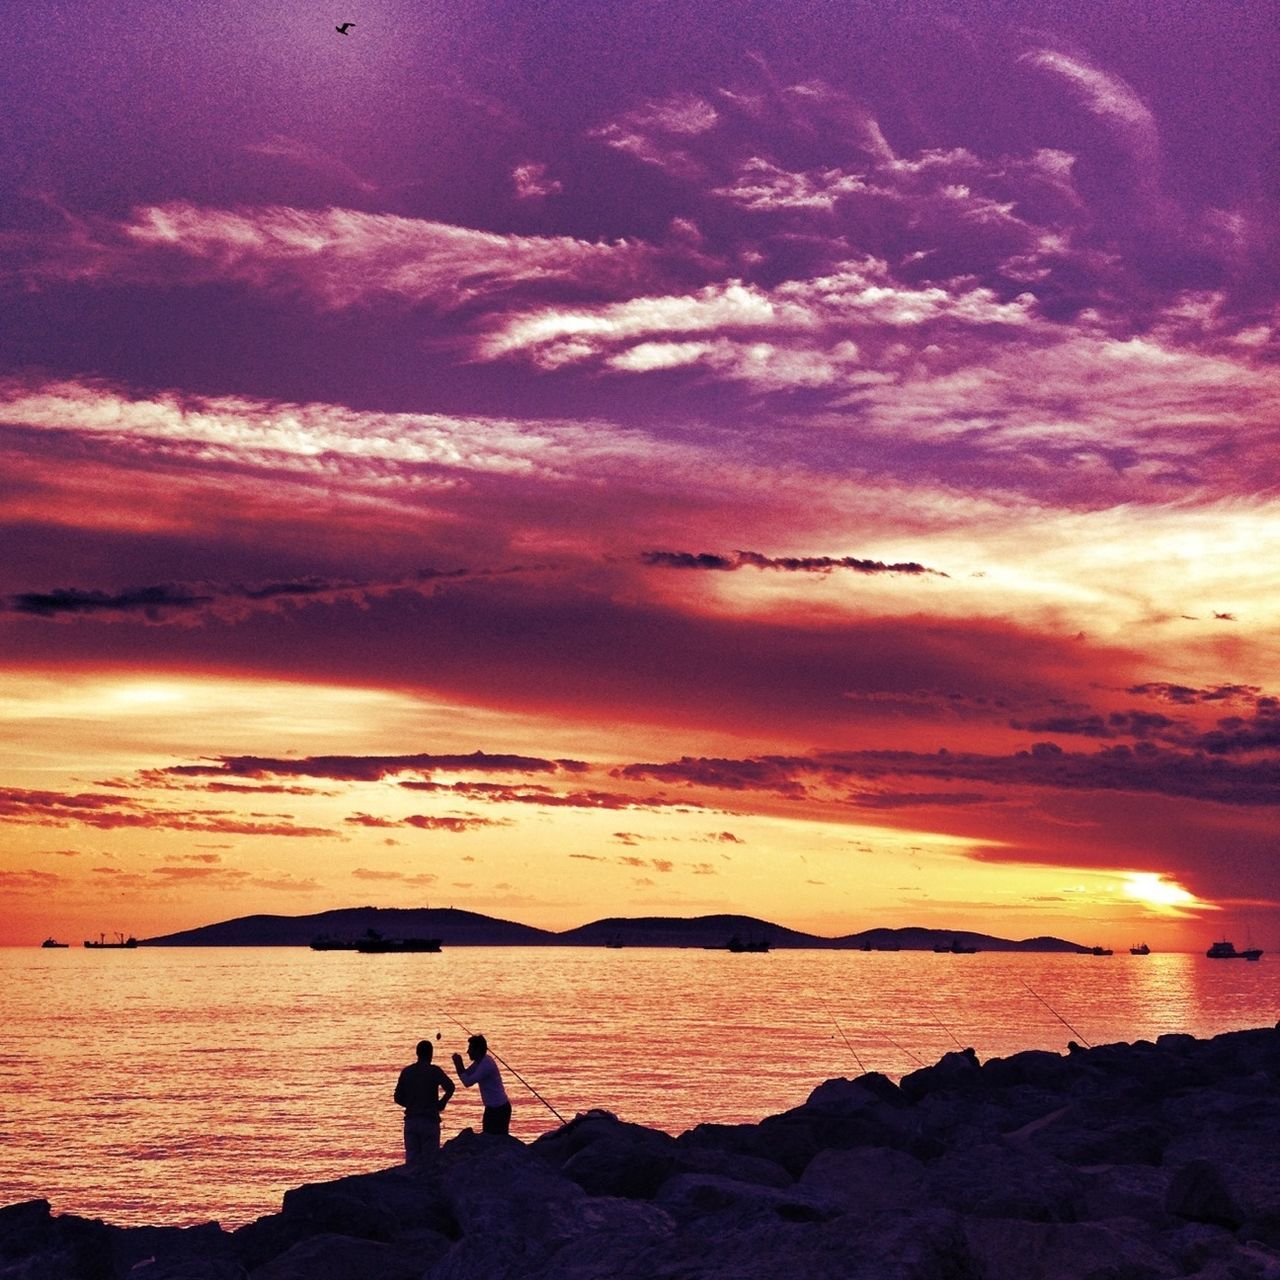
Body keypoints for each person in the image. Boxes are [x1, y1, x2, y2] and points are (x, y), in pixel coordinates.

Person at [394, 1039, 454, 1170]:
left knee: (411, 1162)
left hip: (411, 1122)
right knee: (430, 1163)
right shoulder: (435, 1071)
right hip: (429, 1121)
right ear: (431, 1054)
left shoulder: (407, 1072)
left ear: (417, 1053)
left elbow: (397, 1097)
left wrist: (410, 1104)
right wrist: (442, 1103)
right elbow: (450, 1087)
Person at [451, 1034, 511, 1135]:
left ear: (477, 1050)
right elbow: (467, 1074)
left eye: (470, 1048)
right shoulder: (479, 1062)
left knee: (498, 1141)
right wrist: (459, 1065)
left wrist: (458, 1064)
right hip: (491, 1108)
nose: (468, 1052)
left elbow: (467, 1082)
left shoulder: (486, 1064)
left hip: (499, 1109)